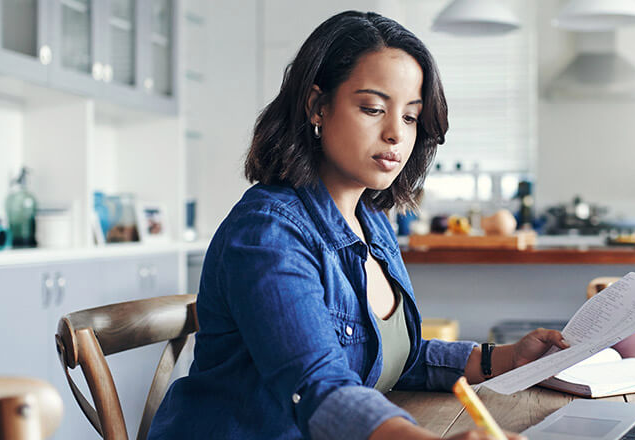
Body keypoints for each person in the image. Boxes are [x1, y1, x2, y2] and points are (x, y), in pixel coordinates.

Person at [147, 10, 567, 440]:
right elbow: (319, 385)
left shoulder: (373, 224)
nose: (396, 135)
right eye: (372, 108)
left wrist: (506, 358)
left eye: (409, 117)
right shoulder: (268, 234)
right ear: (317, 106)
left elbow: (388, 355)